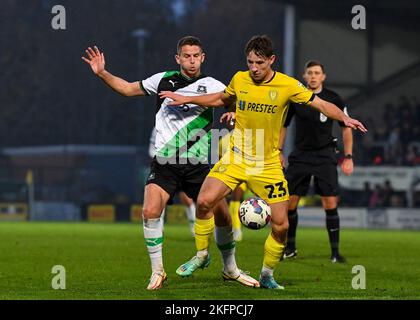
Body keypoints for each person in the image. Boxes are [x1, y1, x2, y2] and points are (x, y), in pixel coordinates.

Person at [159, 35, 367, 289]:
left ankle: (267, 274)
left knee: (281, 226)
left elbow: (322, 104)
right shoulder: (240, 78)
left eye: (259, 62)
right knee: (203, 201)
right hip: (236, 157)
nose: (254, 68)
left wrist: (344, 119)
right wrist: (186, 98)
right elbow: (220, 98)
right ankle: (202, 255)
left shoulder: (287, 85)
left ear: (271, 60)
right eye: (250, 62)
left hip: (266, 164)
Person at [82, 36, 245, 290]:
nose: (191, 61)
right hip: (165, 161)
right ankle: (158, 271)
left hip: (200, 163)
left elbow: (236, 102)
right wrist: (102, 73)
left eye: (196, 56)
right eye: (186, 56)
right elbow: (126, 88)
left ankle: (230, 268)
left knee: (222, 214)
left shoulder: (214, 85)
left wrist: (234, 112)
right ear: (178, 58)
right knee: (149, 211)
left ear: (203, 57)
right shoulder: (162, 80)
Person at [280, 60, 354, 263]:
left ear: (323, 76)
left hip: (324, 155)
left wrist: (348, 157)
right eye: (309, 73)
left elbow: (346, 127)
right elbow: (283, 125)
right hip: (301, 155)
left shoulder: (333, 98)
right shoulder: (297, 97)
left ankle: (335, 253)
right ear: (304, 76)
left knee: (330, 203)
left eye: (317, 73)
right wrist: (278, 151)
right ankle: (290, 248)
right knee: (289, 204)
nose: (313, 76)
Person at [149, 127, 195, 236]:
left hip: (181, 165)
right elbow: (152, 149)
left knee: (186, 198)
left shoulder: (183, 125)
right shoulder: (157, 128)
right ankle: (159, 227)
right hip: (164, 165)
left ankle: (194, 228)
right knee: (161, 197)